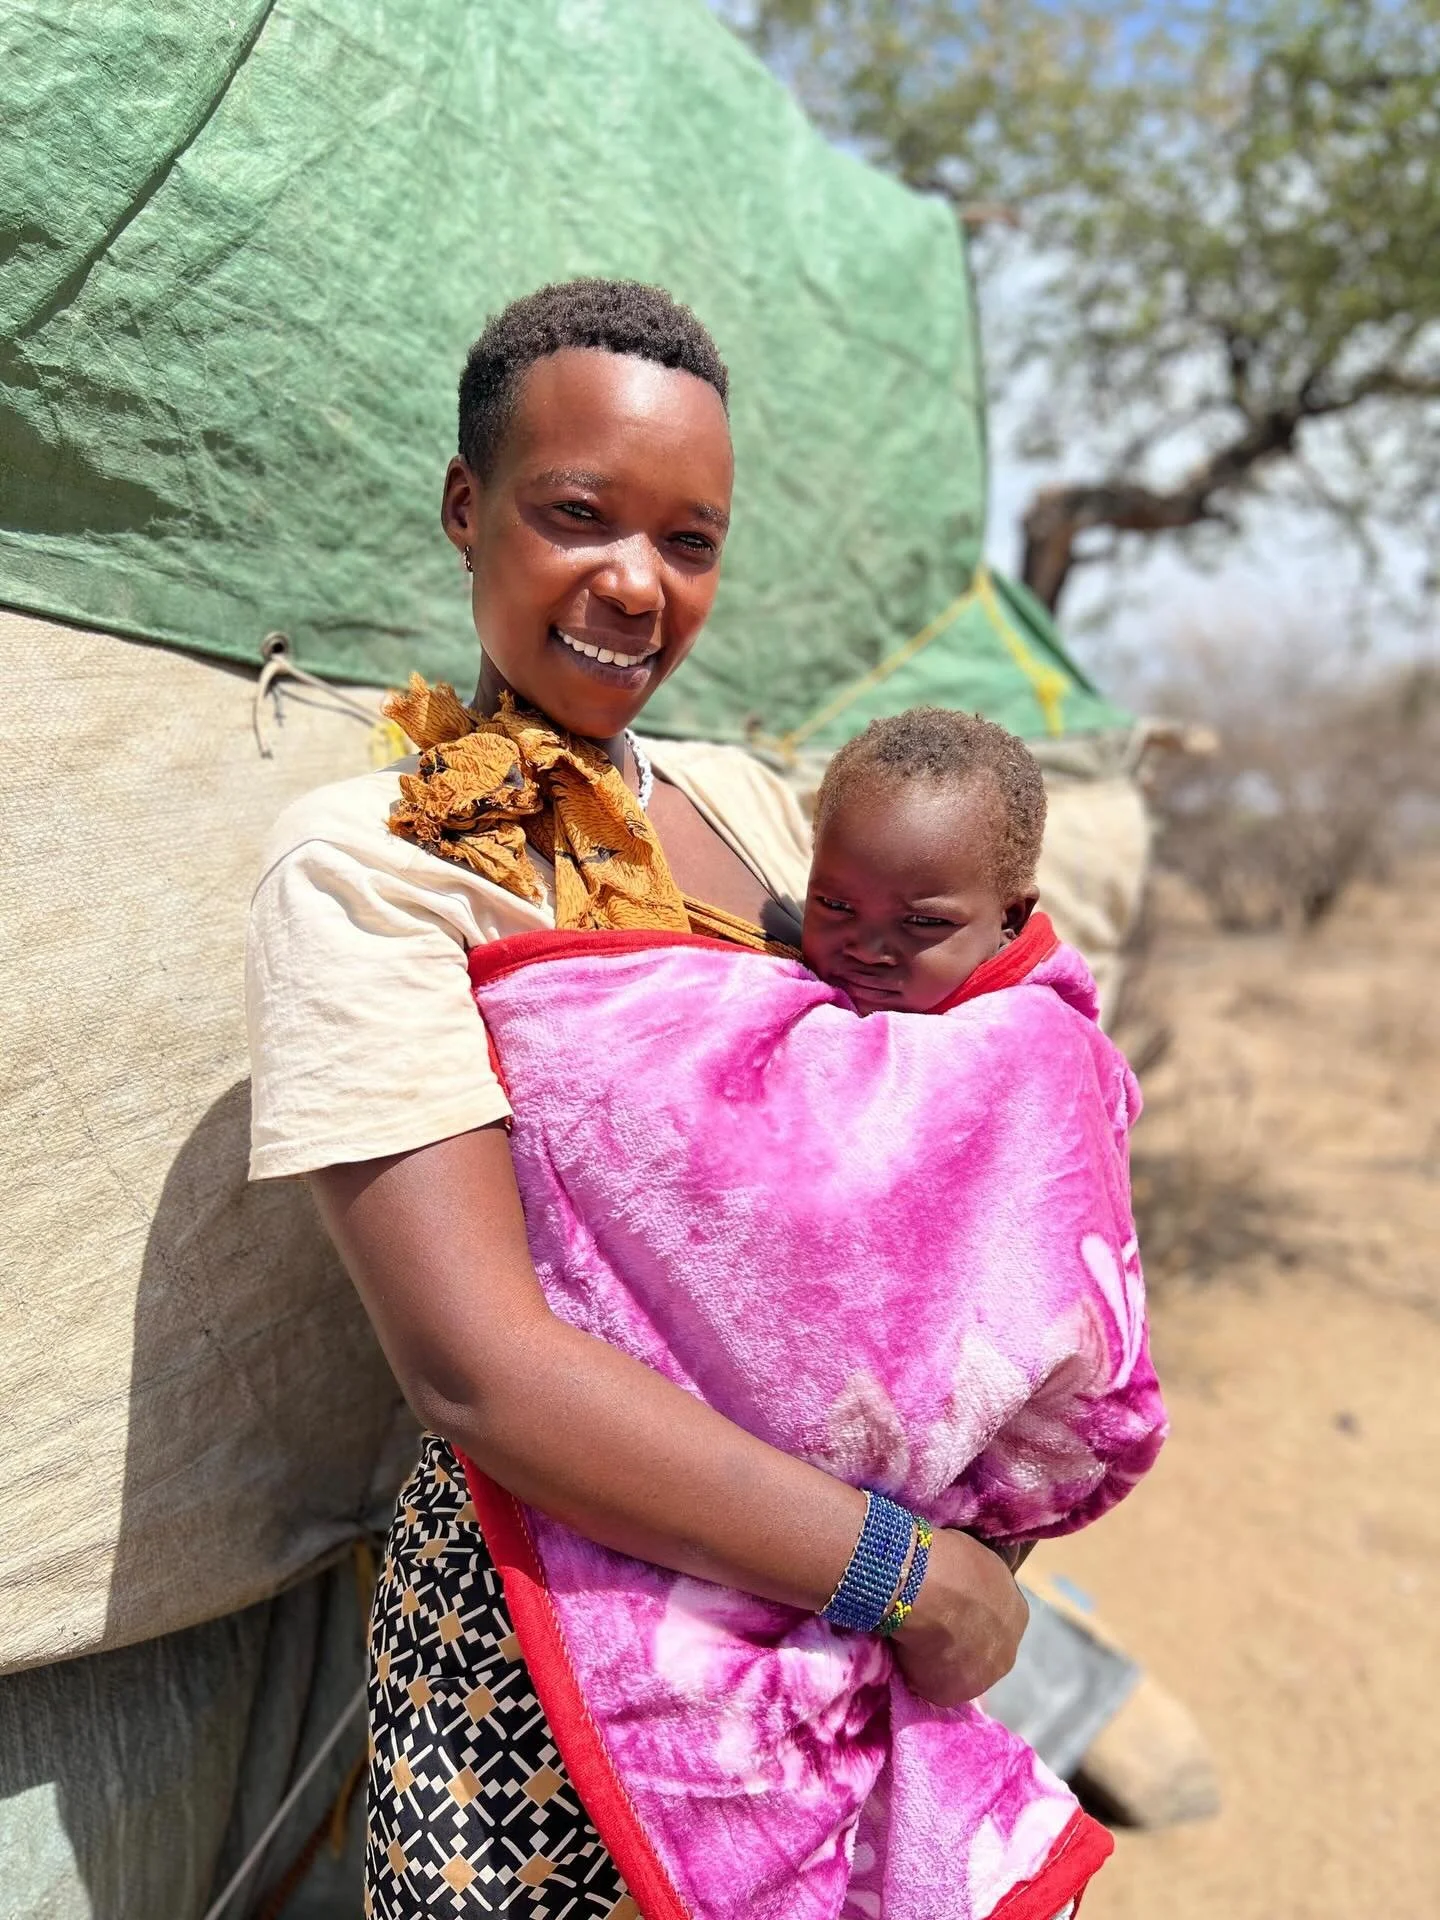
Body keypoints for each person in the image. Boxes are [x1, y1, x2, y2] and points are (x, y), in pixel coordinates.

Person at [246, 280, 1029, 1919]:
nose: (634, 582)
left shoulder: (746, 808)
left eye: (691, 541)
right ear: (469, 509)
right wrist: (899, 1572)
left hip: (801, 1615)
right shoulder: (377, 862)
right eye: (577, 514)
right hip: (558, 1641)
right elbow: (478, 1366)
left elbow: (893, 1108)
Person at [801, 705, 1047, 1017]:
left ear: (1010, 918)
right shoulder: (768, 998)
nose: (867, 951)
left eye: (922, 921)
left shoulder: (1037, 1047)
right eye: (836, 905)